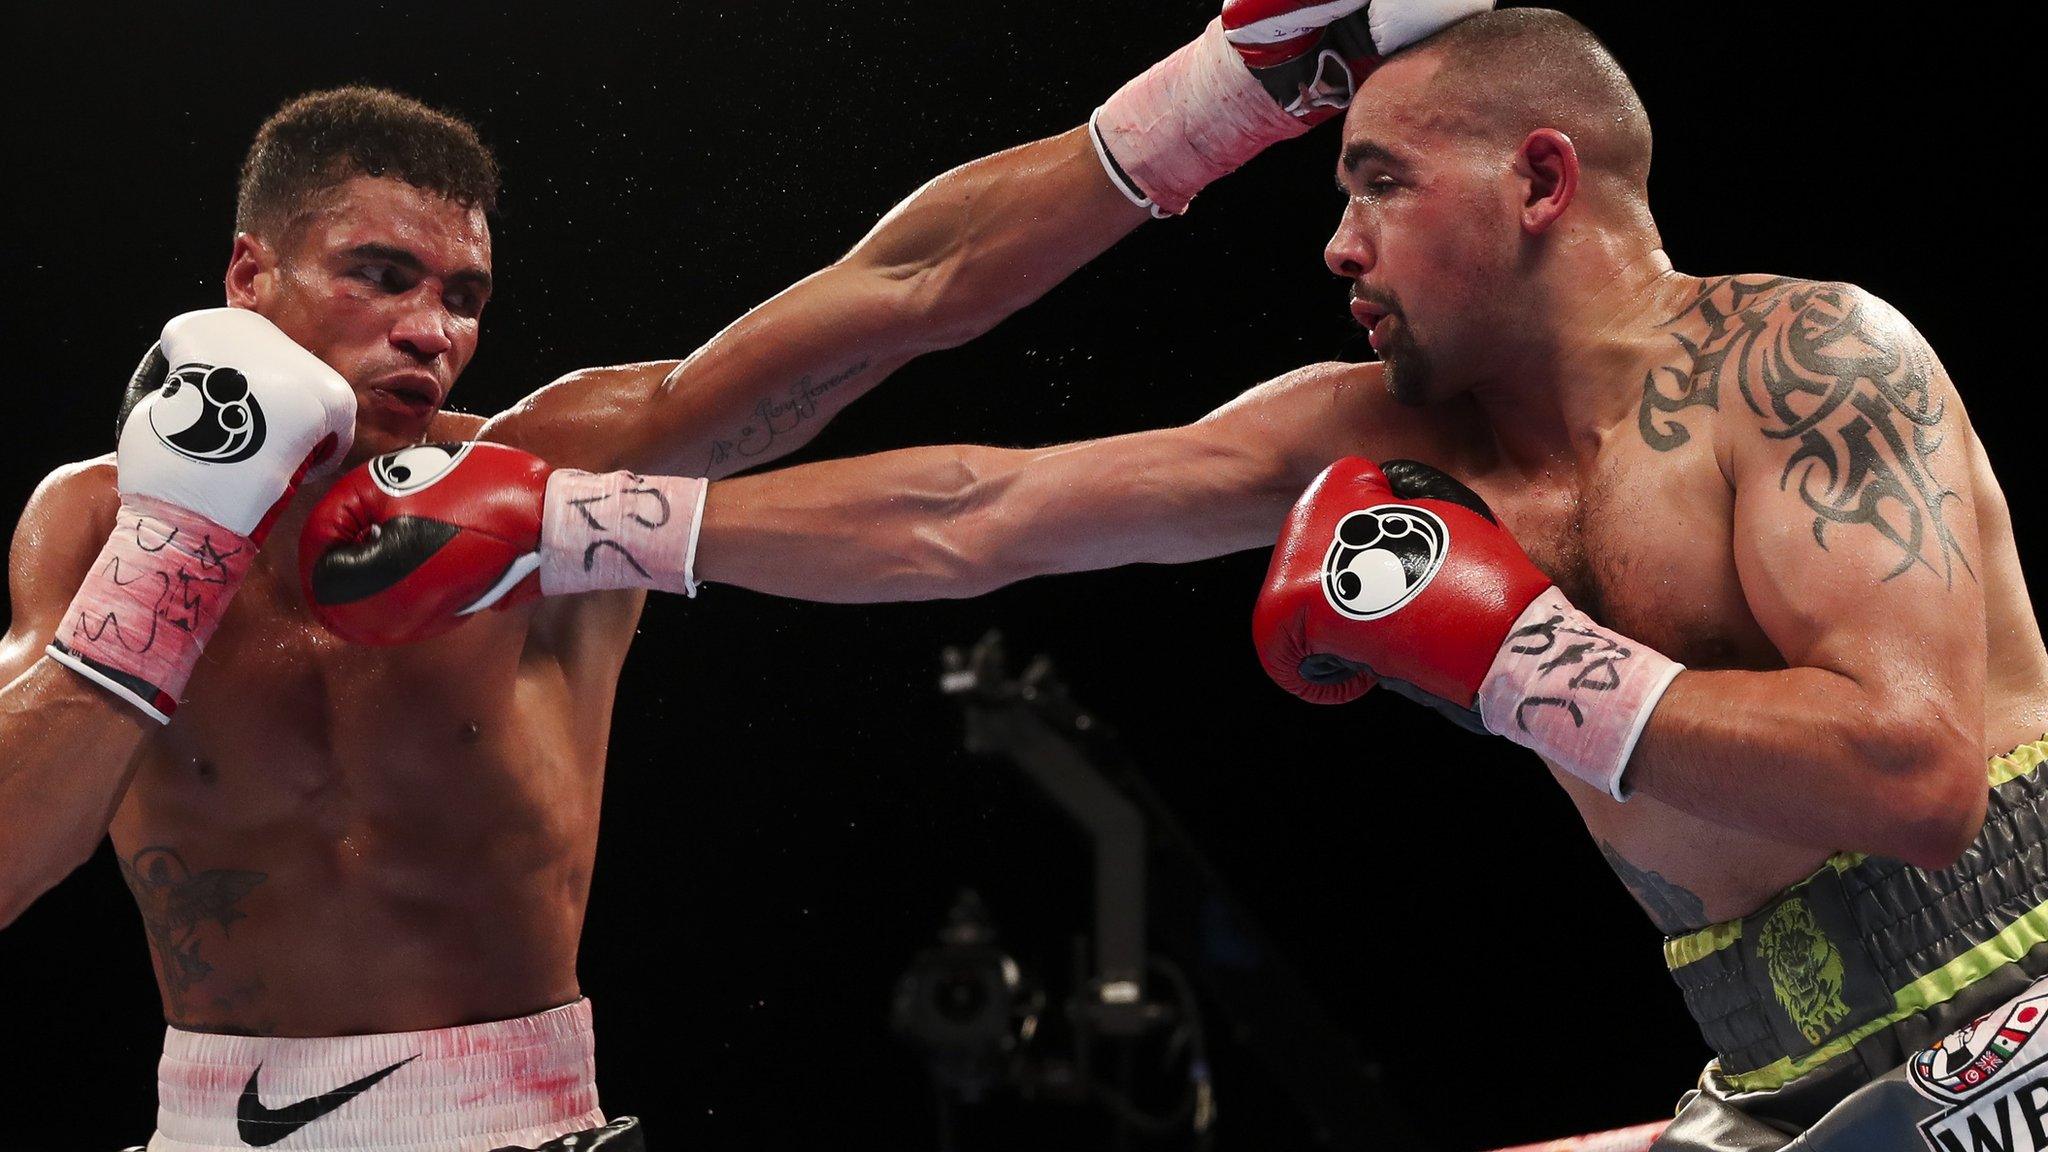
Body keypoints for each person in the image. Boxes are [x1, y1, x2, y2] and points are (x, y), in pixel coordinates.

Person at [342, 10, 2036, 1148]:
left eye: (1377, 182)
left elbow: (1915, 778)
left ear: (1539, 179)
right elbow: (980, 511)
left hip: (2014, 1015)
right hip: (1774, 1067)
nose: (1337, 242)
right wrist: (576, 522)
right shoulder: (1362, 427)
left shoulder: (1803, 356)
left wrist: (1519, 658)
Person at [0, 2, 1490, 1146]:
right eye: (379, 276)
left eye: (462, 297)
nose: (433, 332)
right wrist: (175, 552)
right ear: (248, 278)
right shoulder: (92, 521)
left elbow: (895, 298)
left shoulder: (551, 470)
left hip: (517, 1118)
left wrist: (1227, 91)